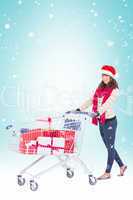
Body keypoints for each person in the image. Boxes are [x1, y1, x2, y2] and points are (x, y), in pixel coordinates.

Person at [77, 65, 127, 180]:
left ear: (111, 77)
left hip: (109, 121)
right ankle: (122, 165)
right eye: (103, 75)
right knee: (109, 146)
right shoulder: (100, 88)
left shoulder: (114, 90)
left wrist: (98, 112)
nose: (104, 77)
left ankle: (107, 172)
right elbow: (91, 100)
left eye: (107, 75)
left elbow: (107, 103)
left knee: (110, 146)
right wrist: (80, 109)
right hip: (101, 120)